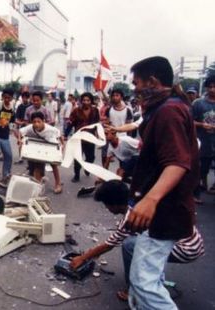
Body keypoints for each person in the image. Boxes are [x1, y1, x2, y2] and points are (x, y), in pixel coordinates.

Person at [124, 56, 199, 309]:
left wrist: (150, 200)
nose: (134, 89)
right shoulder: (169, 107)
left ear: (152, 82)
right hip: (167, 208)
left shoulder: (168, 111)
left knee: (143, 283)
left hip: (165, 210)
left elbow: (177, 163)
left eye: (137, 83)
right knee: (144, 275)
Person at [70, 180, 204, 302]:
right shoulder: (141, 199)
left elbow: (109, 245)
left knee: (129, 245)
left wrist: (83, 258)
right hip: (192, 241)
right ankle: (154, 276)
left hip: (186, 249)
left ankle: (133, 290)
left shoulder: (131, 216)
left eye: (106, 205)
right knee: (139, 240)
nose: (106, 208)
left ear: (114, 204)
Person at [18, 112, 64, 193]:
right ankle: (37, 182)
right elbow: (20, 132)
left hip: (50, 145)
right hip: (38, 146)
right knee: (35, 163)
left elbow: (60, 135)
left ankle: (58, 183)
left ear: (43, 121)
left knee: (54, 165)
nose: (36, 124)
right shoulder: (30, 128)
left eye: (39, 121)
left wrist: (63, 146)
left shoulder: (50, 129)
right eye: (34, 122)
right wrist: (19, 140)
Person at [67, 92, 100, 182]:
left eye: (88, 100)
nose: (86, 102)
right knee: (77, 158)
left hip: (90, 138)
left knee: (91, 157)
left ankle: (87, 167)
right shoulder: (76, 111)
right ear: (81, 101)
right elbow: (70, 123)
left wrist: (99, 135)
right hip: (79, 138)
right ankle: (76, 175)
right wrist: (65, 135)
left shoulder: (95, 110)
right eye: (84, 100)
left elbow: (97, 124)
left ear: (91, 101)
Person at [192, 76, 215, 194]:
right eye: (210, 87)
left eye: (214, 87)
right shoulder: (198, 103)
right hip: (203, 141)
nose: (212, 89)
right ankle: (200, 186)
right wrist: (201, 124)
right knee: (202, 167)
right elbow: (190, 121)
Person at [14, 91, 32, 164]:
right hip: (22, 126)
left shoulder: (31, 106)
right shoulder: (20, 107)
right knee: (20, 142)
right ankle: (20, 157)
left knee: (29, 142)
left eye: (26, 98)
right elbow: (16, 119)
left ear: (28, 98)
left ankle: (29, 158)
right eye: (23, 98)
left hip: (30, 126)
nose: (24, 99)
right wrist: (20, 123)